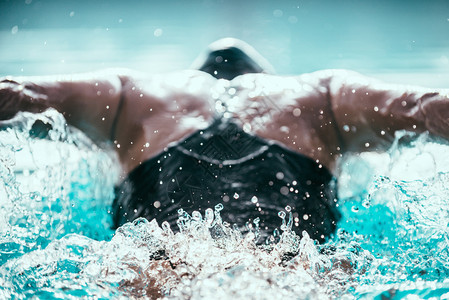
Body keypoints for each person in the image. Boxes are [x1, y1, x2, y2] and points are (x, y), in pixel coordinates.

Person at [1, 38, 448, 243]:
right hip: (295, 273)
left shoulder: (128, 95)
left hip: (160, 268)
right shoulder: (323, 96)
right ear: (265, 77)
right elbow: (431, 107)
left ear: (193, 75)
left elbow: (15, 95)